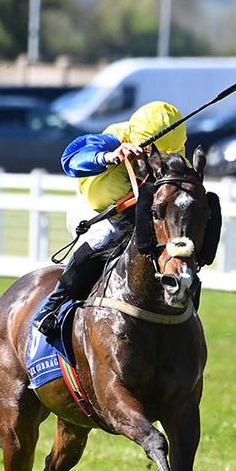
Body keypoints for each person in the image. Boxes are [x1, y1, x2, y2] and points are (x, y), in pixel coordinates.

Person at [33, 101, 187, 337]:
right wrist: (110, 156)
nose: (157, 161)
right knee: (106, 236)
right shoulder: (113, 137)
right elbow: (70, 159)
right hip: (96, 210)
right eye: (150, 153)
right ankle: (52, 305)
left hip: (137, 215)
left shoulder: (175, 152)